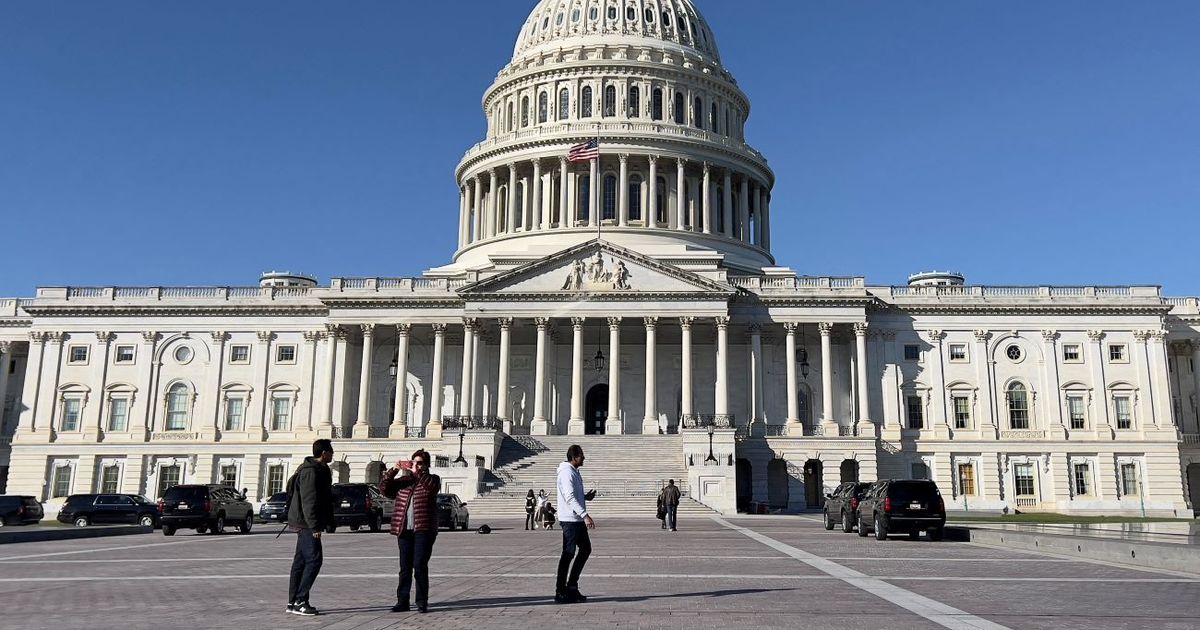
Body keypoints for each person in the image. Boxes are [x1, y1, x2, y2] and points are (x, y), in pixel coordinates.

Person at [380, 449, 441, 614]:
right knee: (404, 567)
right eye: (414, 462)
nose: (416, 465)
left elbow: (431, 489)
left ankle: (422, 601)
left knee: (420, 565)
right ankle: (402, 601)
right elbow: (385, 489)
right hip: (404, 528)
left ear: (426, 465)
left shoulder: (432, 479)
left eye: (420, 463)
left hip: (424, 529)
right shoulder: (403, 481)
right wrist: (394, 470)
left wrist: (418, 472)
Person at [286, 439, 335, 616]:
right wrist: (315, 527)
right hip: (306, 523)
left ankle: (292, 602)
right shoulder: (310, 472)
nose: (332, 454)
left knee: (300, 562)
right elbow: (309, 501)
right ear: (324, 453)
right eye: (331, 452)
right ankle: (300, 600)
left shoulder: (319, 470)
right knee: (315, 559)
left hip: (305, 522)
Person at [555, 444, 596, 604]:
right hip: (570, 520)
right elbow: (569, 497)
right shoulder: (566, 473)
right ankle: (560, 590)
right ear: (574, 457)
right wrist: (585, 515)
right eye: (581, 456)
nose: (584, 458)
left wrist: (585, 497)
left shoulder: (574, 472)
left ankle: (572, 586)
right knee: (568, 554)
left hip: (576, 519)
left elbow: (574, 495)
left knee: (585, 549)